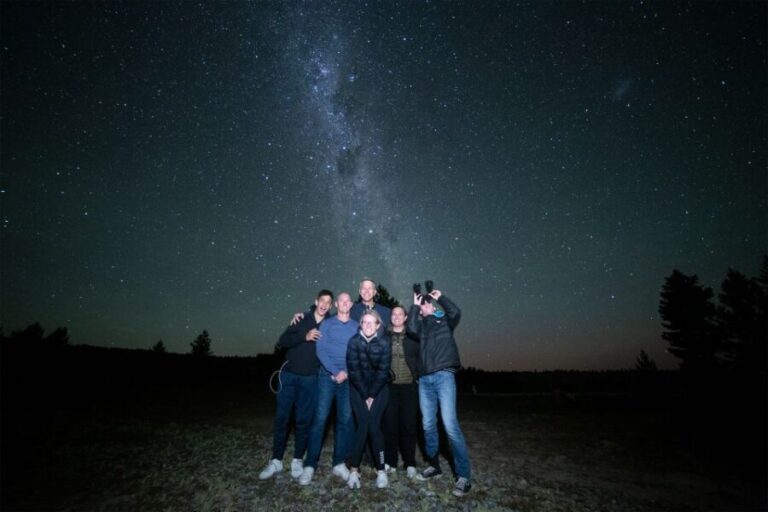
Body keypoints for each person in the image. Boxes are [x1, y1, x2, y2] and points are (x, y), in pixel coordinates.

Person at [259, 290, 334, 480]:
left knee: (303, 421)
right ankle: (276, 460)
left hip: (310, 379)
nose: (324, 304)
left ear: (331, 306)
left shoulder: (329, 325)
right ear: (316, 301)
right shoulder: (301, 318)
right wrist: (304, 336)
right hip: (289, 376)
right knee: (282, 418)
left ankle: (297, 459)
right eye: (322, 300)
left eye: (328, 302)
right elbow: (282, 341)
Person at [407, 287, 472, 497]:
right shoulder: (421, 326)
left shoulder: (443, 319)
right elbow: (410, 328)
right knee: (427, 424)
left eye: (428, 302)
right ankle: (434, 465)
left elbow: (456, 312)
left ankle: (464, 476)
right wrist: (415, 306)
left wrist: (439, 297)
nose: (426, 304)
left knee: (450, 425)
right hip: (425, 379)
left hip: (444, 376)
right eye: (423, 303)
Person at [299, 292, 357, 485]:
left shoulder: (356, 326)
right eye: (341, 300)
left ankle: (339, 463)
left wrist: (346, 372)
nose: (345, 303)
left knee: (344, 421)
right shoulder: (328, 323)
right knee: (320, 418)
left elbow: (357, 353)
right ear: (337, 304)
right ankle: (310, 465)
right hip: (327, 376)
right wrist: (334, 371)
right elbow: (320, 349)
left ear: (351, 305)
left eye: (348, 301)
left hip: (348, 379)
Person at [345, 311, 392, 489]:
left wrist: (372, 395)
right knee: (363, 425)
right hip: (358, 389)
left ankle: (381, 470)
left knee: (374, 426)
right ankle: (354, 471)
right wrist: (365, 395)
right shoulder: (353, 342)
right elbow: (354, 371)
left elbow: (383, 372)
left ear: (378, 325)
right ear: (361, 325)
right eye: (365, 322)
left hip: (379, 389)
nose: (368, 326)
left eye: (372, 323)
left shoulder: (385, 343)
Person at [382, 306, 420, 478]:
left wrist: (419, 375)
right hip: (389, 388)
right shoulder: (384, 336)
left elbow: (421, 356)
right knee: (390, 426)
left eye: (400, 314)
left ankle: (410, 462)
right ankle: (390, 461)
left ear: (405, 318)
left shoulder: (412, 336)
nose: (397, 316)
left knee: (408, 426)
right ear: (391, 317)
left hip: (409, 387)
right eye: (394, 314)